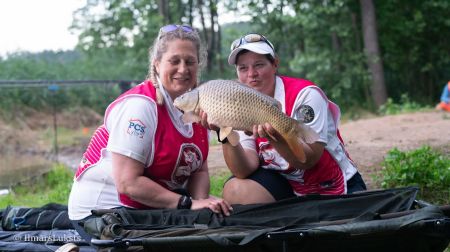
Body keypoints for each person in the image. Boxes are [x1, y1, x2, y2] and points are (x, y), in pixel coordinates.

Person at [67, 24, 232, 243]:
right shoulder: (141, 107)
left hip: (151, 207)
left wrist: (201, 202)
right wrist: (188, 205)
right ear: (156, 64)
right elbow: (128, 183)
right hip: (103, 212)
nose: (183, 69)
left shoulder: (196, 105)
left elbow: (198, 169)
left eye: (190, 62)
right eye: (174, 61)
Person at [203, 33, 367, 204]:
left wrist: (274, 136)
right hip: (289, 185)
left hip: (332, 183)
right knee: (235, 191)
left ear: (275, 64)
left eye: (259, 65)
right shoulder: (238, 103)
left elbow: (309, 160)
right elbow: (244, 169)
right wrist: (224, 133)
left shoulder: (306, 95)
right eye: (243, 68)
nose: (252, 74)